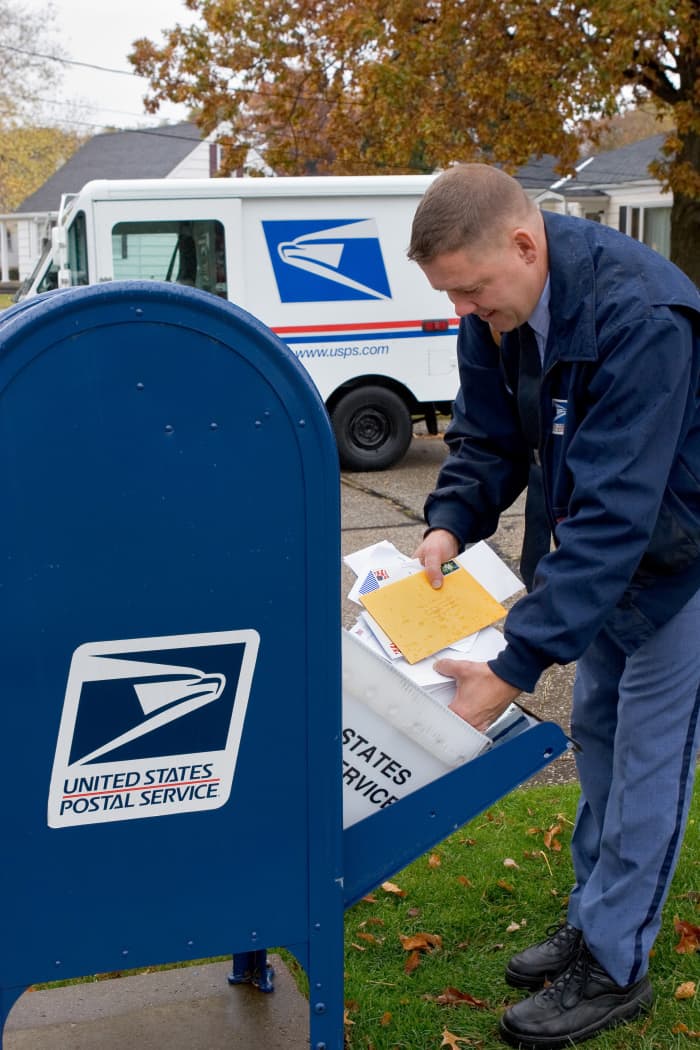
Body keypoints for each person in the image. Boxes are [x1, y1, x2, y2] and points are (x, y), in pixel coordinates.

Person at [408, 163, 700, 1050]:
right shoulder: (496, 307)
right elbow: (488, 433)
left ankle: (616, 965)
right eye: (450, 294)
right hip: (592, 563)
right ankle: (592, 916)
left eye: (471, 290)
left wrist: (513, 665)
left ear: (526, 245)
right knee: (600, 743)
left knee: (649, 761)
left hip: (676, 563)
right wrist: (449, 523)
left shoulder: (642, 317)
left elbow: (619, 513)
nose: (464, 310)